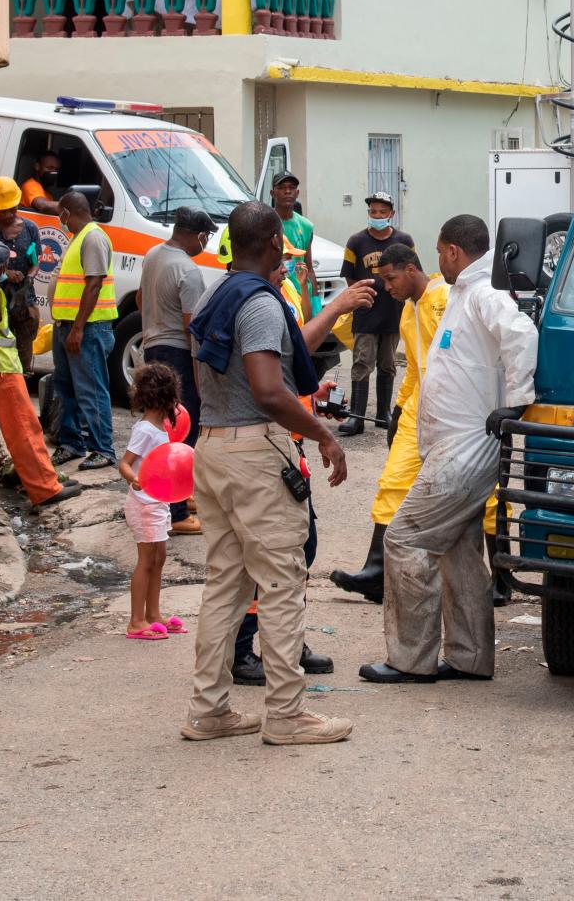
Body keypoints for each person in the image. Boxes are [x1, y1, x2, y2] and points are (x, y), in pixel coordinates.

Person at [181, 201, 356, 745]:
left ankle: (209, 710)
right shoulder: (258, 303)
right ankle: (286, 715)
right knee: (282, 584)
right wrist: (324, 434)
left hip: (212, 447)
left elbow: (228, 372)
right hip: (254, 452)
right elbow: (268, 388)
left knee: (226, 587)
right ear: (276, 241)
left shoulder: (216, 294)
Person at [360, 215, 538, 685]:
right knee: (458, 550)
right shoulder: (462, 293)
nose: (437, 261)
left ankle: (410, 659)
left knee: (404, 540)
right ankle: (470, 657)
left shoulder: (483, 293)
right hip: (453, 447)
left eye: (440, 252)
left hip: (465, 449)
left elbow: (522, 336)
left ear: (454, 252)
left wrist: (517, 403)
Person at [329, 243, 506, 607]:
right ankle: (376, 571)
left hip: (462, 411)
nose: (386, 287)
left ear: (411, 270)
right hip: (418, 409)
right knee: (393, 483)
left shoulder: (446, 298)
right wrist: (397, 409)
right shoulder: (408, 312)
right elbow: (414, 366)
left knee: (488, 497)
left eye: (391, 278)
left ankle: (501, 579)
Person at [0, 242, 80, 515]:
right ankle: (45, 488)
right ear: (1, 268)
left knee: (21, 430)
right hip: (3, 370)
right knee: (25, 430)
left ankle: (42, 481)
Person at [140, 207, 218, 535]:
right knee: (182, 430)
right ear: (197, 234)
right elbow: (193, 328)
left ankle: (181, 496)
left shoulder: (154, 254)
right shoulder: (188, 270)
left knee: (164, 426)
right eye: (206, 237)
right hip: (178, 352)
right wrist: (201, 376)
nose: (206, 243)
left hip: (152, 346)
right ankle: (175, 511)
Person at [118, 362, 187, 642]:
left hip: (157, 502)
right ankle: (136, 620)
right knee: (147, 561)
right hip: (144, 504)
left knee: (159, 559)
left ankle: (154, 613)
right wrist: (133, 479)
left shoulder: (161, 427)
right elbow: (125, 463)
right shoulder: (146, 429)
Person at [337, 191, 415, 437]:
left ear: (391, 214)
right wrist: (360, 296)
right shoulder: (356, 242)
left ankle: (383, 413)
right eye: (373, 212)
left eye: (382, 212)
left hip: (393, 312)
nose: (377, 216)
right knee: (362, 362)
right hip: (366, 313)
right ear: (368, 213)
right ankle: (357, 416)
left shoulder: (404, 240)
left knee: (388, 364)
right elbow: (349, 274)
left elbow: (413, 270)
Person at [50, 192, 117, 467]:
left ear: (67, 212)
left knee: (91, 389)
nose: (59, 219)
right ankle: (71, 443)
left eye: (59, 214)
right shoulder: (78, 238)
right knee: (65, 388)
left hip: (88, 328)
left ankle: (103, 448)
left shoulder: (93, 237)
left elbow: (94, 285)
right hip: (67, 327)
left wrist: (78, 328)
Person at [0, 178, 41, 358]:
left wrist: (28, 278)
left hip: (23, 298)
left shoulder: (30, 229)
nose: (8, 215)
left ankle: (23, 375)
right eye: (3, 211)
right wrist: (6, 273)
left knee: (25, 342)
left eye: (12, 209)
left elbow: (36, 261)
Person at [271, 172, 321, 320]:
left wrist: (315, 300)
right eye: (282, 187)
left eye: (291, 188)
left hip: (301, 294)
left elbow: (309, 266)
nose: (287, 191)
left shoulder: (306, 226)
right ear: (273, 193)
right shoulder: (266, 222)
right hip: (278, 292)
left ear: (297, 193)